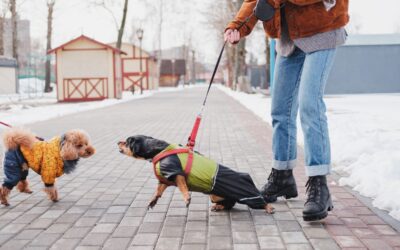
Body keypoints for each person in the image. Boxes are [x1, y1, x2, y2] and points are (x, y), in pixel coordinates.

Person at [225, 0, 349, 221]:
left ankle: (319, 184)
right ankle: (282, 176)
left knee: (310, 104)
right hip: (288, 37)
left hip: (321, 28)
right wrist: (237, 26)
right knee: (280, 110)